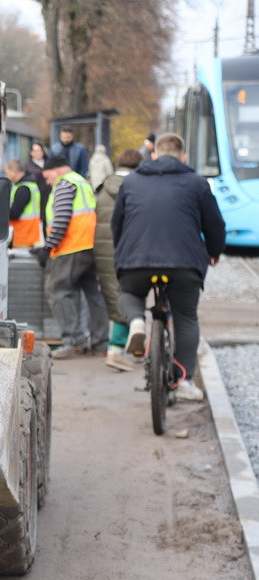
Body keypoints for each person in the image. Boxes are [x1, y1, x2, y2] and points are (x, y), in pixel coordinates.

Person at [112, 133, 225, 401]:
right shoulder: (197, 183)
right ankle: (184, 381)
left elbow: (117, 224)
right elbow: (215, 225)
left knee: (129, 293)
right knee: (185, 317)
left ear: (154, 155)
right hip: (183, 263)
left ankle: (137, 322)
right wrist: (214, 252)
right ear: (183, 157)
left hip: (136, 261)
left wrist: (123, 255)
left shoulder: (131, 182)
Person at [34, 154, 109, 359]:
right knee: (93, 295)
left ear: (57, 171)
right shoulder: (82, 182)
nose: (48, 182)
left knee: (56, 290)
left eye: (48, 177)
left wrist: (48, 247)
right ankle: (101, 344)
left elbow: (62, 219)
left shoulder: (65, 184)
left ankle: (73, 339)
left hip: (71, 247)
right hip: (89, 245)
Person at [93, 148, 142, 371]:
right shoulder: (136, 188)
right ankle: (117, 349)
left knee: (114, 297)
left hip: (102, 251)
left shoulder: (103, 188)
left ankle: (126, 348)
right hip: (128, 252)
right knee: (129, 297)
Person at [4, 159, 43, 248]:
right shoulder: (30, 185)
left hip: (20, 237)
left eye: (7, 172)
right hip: (28, 235)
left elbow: (14, 214)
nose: (7, 175)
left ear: (14, 171)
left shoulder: (23, 189)